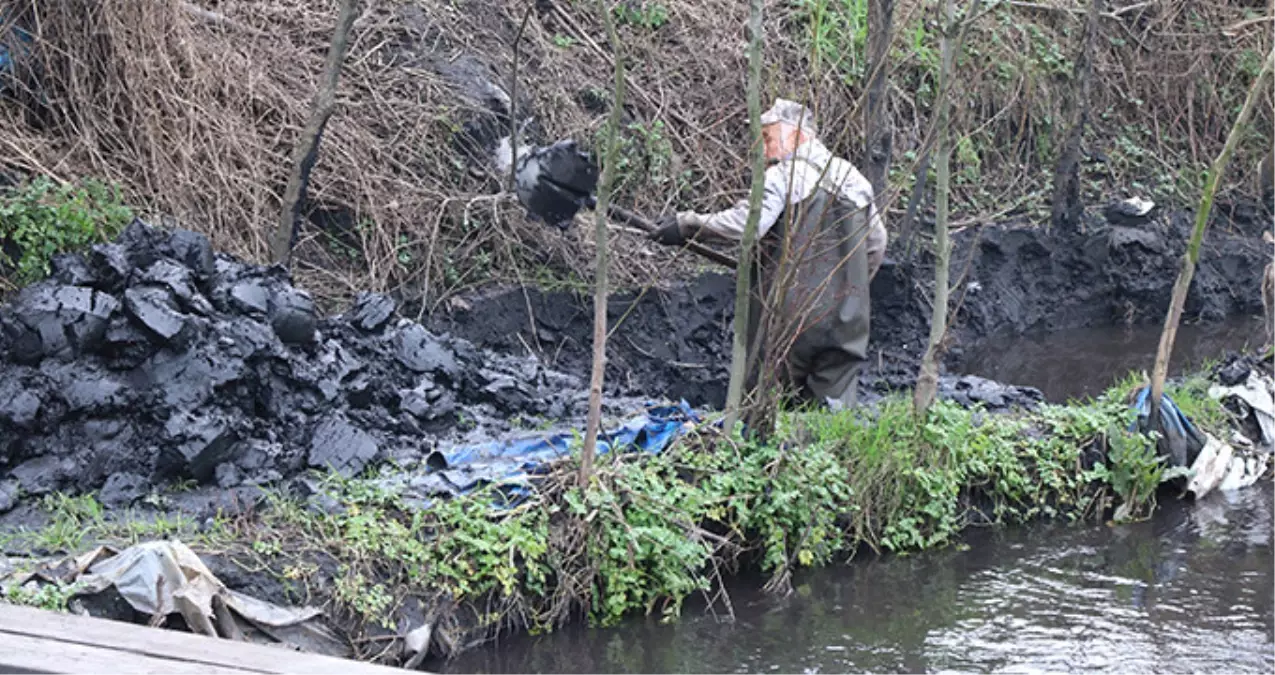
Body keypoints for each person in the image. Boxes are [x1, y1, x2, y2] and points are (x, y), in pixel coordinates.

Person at [649, 98, 887, 409]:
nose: (764, 150)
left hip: (788, 317)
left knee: (766, 407)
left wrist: (688, 224)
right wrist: (848, 295)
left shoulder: (783, 177)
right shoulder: (854, 179)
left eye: (768, 139)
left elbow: (747, 226)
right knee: (831, 413)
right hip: (847, 322)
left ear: (799, 134)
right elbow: (877, 244)